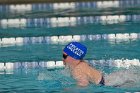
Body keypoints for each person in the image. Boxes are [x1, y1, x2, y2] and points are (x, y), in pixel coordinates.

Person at [62, 42, 140, 87]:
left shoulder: (77, 70)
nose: (62, 59)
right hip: (112, 78)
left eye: (64, 56)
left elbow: (84, 85)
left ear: (74, 57)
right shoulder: (82, 64)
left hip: (113, 82)